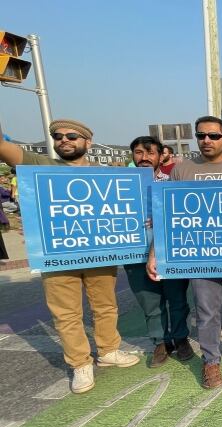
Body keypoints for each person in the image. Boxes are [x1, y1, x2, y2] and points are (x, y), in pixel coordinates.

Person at [0, 119, 140, 394]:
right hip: (58, 253)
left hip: (100, 251)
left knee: (106, 306)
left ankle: (109, 350)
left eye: (71, 136)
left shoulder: (105, 175)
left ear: (87, 142)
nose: (63, 140)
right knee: (66, 313)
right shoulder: (39, 165)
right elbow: (3, 148)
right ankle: (79, 364)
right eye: (57, 136)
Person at [146, 116, 222, 389]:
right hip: (198, 253)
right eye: (201, 135)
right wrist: (154, 252)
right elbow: (167, 214)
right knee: (206, 311)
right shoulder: (182, 171)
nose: (207, 140)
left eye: (213, 136)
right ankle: (210, 360)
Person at [125, 136, 192, 368]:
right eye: (138, 153)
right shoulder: (120, 186)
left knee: (177, 299)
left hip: (170, 251)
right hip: (134, 252)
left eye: (149, 153)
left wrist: (164, 217)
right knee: (150, 302)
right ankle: (160, 342)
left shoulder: (171, 183)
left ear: (161, 155)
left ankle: (181, 338)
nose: (143, 158)